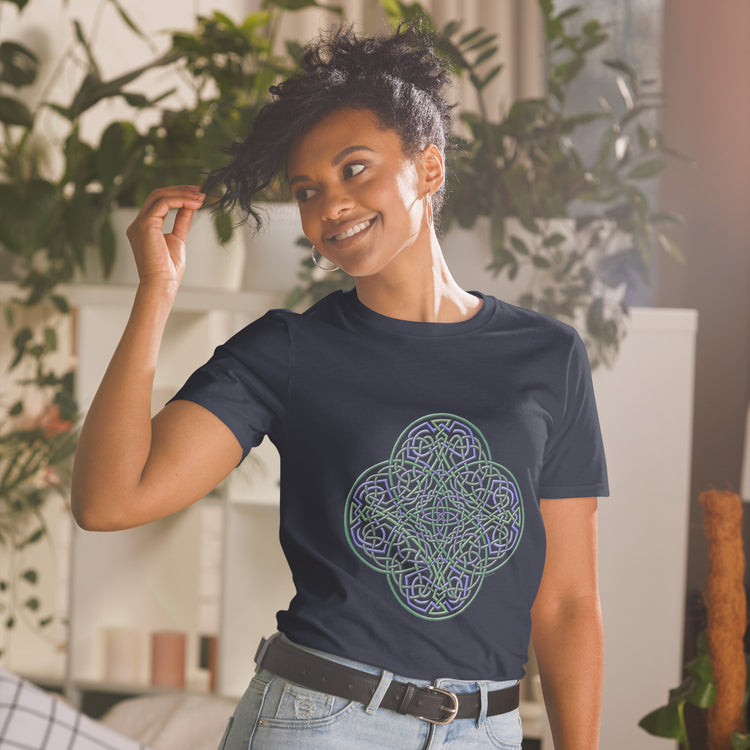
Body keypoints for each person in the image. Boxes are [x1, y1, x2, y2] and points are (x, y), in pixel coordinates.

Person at [71, 23, 608, 750]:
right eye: (307, 191)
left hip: (489, 731)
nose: (331, 206)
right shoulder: (286, 352)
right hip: (322, 722)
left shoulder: (549, 355)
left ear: (428, 167)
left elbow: (569, 603)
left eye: (355, 169)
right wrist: (157, 294)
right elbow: (109, 500)